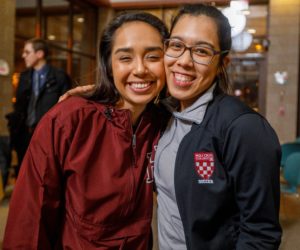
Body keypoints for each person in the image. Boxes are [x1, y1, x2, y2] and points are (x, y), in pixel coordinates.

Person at [58, 4, 282, 249]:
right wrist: (102, 92)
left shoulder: (243, 128)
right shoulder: (162, 116)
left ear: (222, 64)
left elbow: (261, 233)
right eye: (176, 46)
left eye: (202, 51)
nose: (184, 61)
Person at [3, 12, 168, 249]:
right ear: (109, 65)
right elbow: (29, 221)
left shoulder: (165, 123)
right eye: (125, 58)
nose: (140, 69)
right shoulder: (67, 121)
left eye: (153, 56)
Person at [5, 38, 71, 176]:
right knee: (24, 174)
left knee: (46, 174)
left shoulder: (59, 77)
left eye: (27, 52)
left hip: (48, 136)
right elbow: (19, 106)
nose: (23, 55)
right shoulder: (24, 77)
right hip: (24, 135)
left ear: (40, 54)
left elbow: (66, 108)